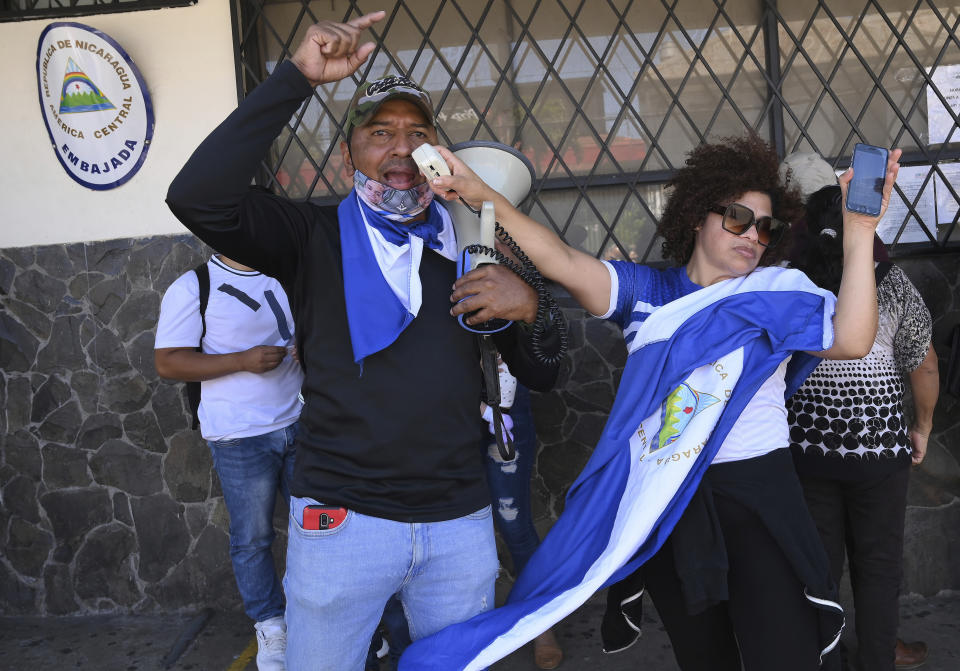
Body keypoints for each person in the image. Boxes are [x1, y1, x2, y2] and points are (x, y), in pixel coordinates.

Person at [164, 12, 560, 671]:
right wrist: (295, 78)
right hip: (339, 522)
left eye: (416, 134)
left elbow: (545, 371)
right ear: (349, 154)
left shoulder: (475, 245)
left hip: (459, 523)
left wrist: (530, 310)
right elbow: (197, 196)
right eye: (380, 134)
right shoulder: (309, 237)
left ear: (439, 152)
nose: (400, 149)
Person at [422, 134, 901, 670]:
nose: (754, 236)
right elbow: (558, 258)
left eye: (768, 228)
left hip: (763, 498)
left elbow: (853, 339)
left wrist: (861, 234)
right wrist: (480, 191)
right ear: (698, 215)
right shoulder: (644, 293)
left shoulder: (778, 290)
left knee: (785, 656)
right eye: (739, 218)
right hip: (673, 501)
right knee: (706, 659)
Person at [785, 156, 939, 671]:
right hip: (879, 454)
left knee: (818, 570)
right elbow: (925, 365)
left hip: (806, 452)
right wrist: (922, 426)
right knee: (879, 567)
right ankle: (878, 658)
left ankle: (823, 661)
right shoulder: (890, 284)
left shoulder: (788, 286)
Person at [154, 254, 302, 670]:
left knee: (321, 532)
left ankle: (323, 616)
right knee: (253, 538)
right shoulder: (193, 286)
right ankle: (271, 626)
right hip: (240, 435)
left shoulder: (288, 271)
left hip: (302, 421)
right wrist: (241, 360)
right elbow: (168, 362)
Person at [481, 358, 563, 669]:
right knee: (460, 525)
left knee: (513, 521)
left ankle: (541, 627)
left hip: (504, 398)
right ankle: (475, 632)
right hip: (447, 404)